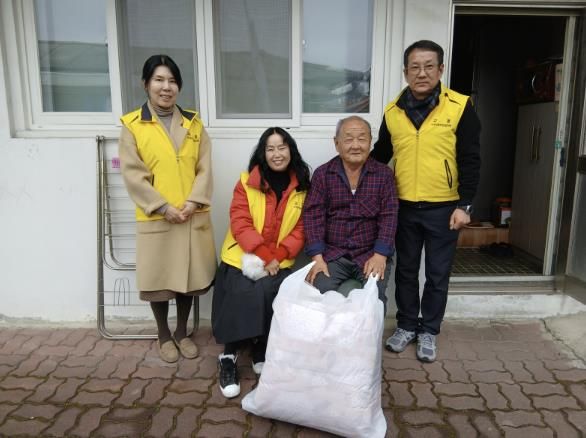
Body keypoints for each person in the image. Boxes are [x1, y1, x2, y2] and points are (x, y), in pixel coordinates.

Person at [371, 40, 481, 362]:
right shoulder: (393, 111)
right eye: (415, 67)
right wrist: (352, 171)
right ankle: (406, 325)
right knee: (406, 271)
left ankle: (429, 329)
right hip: (403, 206)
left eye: (429, 66)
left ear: (441, 69)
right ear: (405, 72)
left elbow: (471, 159)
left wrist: (465, 205)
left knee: (437, 274)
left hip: (444, 207)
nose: (422, 73)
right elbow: (381, 154)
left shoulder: (460, 106)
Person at [119, 54, 216, 363]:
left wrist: (193, 202)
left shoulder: (193, 123)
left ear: (179, 86)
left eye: (172, 81)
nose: (166, 87)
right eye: (159, 80)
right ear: (145, 84)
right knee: (159, 280)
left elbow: (205, 167)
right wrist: (162, 206)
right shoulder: (133, 126)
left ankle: (182, 332)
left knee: (187, 278)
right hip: (157, 217)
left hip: (190, 214)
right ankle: (163, 335)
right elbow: (133, 174)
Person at [211, 127, 311, 399]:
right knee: (242, 290)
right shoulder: (246, 182)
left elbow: (301, 229)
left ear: (291, 150)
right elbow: (240, 222)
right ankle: (228, 356)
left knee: (271, 291)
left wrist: (277, 257)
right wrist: (265, 257)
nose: (277, 154)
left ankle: (261, 348)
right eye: (270, 148)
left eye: (282, 147)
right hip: (242, 256)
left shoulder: (303, 186)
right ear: (262, 153)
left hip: (280, 258)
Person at [303, 116, 398, 310]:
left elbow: (389, 217)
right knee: (317, 295)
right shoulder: (323, 174)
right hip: (332, 254)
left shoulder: (384, 175)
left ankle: (369, 331)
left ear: (370, 142)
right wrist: (317, 258)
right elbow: (313, 217)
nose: (356, 145)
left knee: (373, 299)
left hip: (370, 253)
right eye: (348, 139)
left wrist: (380, 255)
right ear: (336, 143)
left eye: (362, 139)